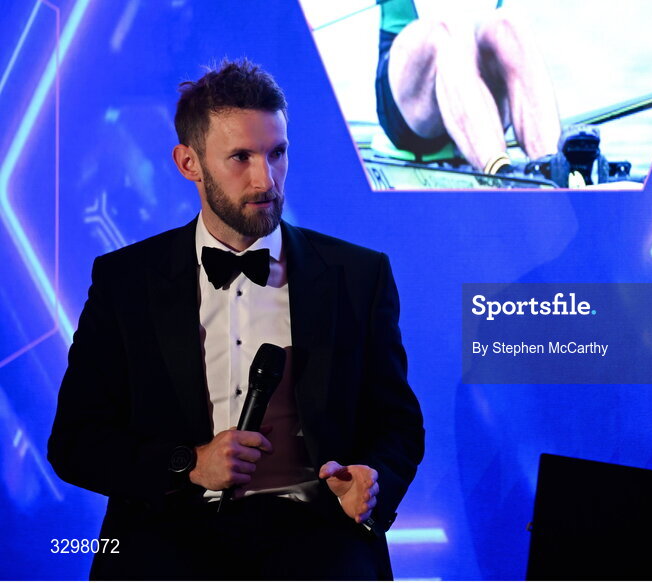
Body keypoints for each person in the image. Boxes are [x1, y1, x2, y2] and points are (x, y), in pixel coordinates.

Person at [48, 59, 424, 580]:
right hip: (168, 534)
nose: (264, 179)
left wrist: (371, 480)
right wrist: (189, 462)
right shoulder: (126, 280)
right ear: (189, 163)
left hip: (318, 535)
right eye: (241, 157)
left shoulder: (358, 275)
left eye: (277, 153)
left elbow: (397, 423)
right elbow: (76, 442)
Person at [376, 0, 562, 174]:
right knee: (445, 30)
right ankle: (500, 175)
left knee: (508, 25)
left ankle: (553, 165)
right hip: (413, 96)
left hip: (480, 83)